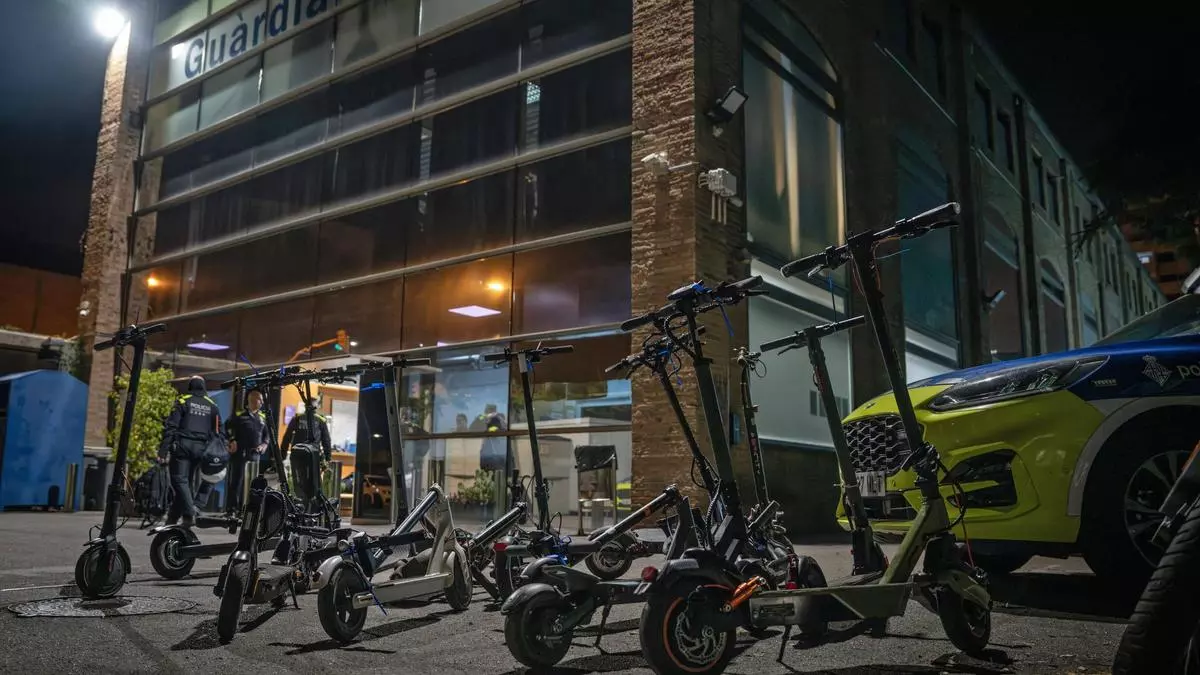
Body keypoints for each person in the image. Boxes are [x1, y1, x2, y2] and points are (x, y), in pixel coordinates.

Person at [158, 376, 222, 527]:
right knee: (187, 484)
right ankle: (172, 520)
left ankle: (189, 513)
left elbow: (171, 427)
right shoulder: (213, 406)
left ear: (190, 386)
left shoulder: (182, 401)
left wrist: (163, 450)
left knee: (179, 480)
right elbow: (218, 431)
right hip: (202, 449)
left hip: (182, 447)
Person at [224, 388, 270, 515]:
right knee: (237, 482)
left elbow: (267, 435)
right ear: (253, 399)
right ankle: (232, 509)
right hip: (240, 454)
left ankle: (246, 510)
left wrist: (264, 444)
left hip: (255, 455)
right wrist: (232, 440)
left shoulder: (262, 417)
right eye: (260, 400)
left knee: (251, 484)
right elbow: (227, 428)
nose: (261, 402)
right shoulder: (239, 415)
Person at [281, 398, 332, 508]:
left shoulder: (297, 418)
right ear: (316, 407)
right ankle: (312, 507)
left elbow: (287, 437)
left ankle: (301, 506)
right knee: (314, 483)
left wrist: (283, 455)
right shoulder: (320, 420)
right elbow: (326, 441)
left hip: (297, 456)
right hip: (312, 457)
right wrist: (328, 458)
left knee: (298, 482)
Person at [477, 403, 508, 472]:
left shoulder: (496, 419)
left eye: (486, 410)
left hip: (496, 457)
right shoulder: (488, 419)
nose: (485, 412)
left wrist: (487, 432)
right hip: (491, 457)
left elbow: (495, 429)